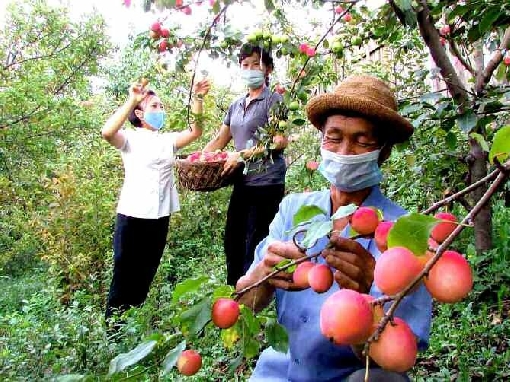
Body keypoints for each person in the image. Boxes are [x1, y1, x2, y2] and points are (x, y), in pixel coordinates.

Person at [235, 75, 433, 382]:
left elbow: (394, 361)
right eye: (334, 137)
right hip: (278, 373)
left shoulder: (402, 237)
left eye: (362, 140)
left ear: (383, 151)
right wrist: (264, 272)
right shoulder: (294, 211)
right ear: (322, 141)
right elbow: (246, 303)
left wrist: (367, 301)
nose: (344, 150)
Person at [101, 78, 211, 321]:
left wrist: (198, 98)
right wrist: (132, 99)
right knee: (124, 275)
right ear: (139, 113)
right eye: (154, 106)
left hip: (159, 217)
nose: (160, 110)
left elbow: (196, 131)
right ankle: (113, 330)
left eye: (161, 106)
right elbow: (107, 132)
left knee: (146, 274)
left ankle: (133, 324)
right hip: (132, 216)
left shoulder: (166, 141)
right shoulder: (130, 139)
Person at [203, 43, 286, 286]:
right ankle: (234, 294)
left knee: (256, 243)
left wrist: (243, 155)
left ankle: (253, 299)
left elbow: (279, 141)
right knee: (233, 240)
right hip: (243, 182)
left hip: (267, 182)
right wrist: (198, 157)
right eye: (245, 65)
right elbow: (220, 140)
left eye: (255, 64)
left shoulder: (275, 100)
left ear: (267, 69)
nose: (250, 69)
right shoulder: (236, 105)